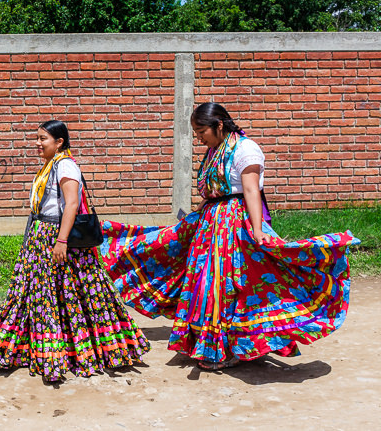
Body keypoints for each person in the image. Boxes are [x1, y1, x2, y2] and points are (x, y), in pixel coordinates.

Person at [101, 103, 359, 371]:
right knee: (203, 284)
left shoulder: (245, 149)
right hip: (211, 225)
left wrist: (258, 231)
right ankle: (218, 345)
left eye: (202, 131)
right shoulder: (215, 150)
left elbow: (250, 191)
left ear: (219, 125)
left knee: (228, 285)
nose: (199, 138)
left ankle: (229, 349)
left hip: (234, 224)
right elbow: (213, 191)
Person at [0, 120, 150, 382]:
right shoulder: (50, 166)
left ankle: (68, 354)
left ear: (59, 142)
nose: (37, 143)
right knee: (42, 295)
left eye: (43, 138)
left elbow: (71, 204)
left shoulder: (65, 165)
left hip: (58, 237)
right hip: (41, 237)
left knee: (72, 296)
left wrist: (62, 241)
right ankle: (38, 350)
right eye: (37, 138)